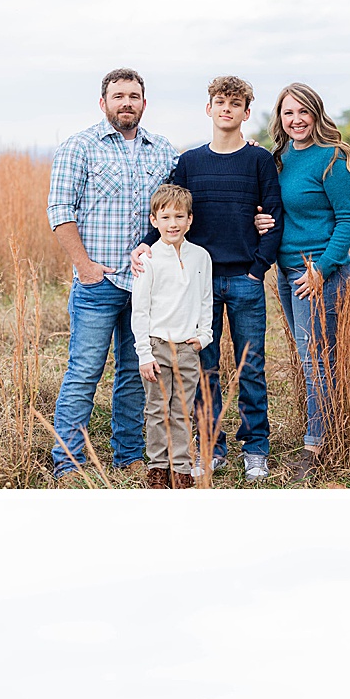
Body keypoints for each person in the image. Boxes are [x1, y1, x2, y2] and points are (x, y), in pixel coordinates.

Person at [133, 75, 284, 480]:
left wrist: (258, 270)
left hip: (244, 280)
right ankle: (212, 447)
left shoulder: (259, 160)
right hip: (198, 283)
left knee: (251, 366)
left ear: (246, 113)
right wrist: (147, 243)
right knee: (205, 369)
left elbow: (275, 217)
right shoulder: (191, 162)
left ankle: (256, 448)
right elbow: (172, 208)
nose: (227, 110)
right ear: (209, 109)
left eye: (235, 104)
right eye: (220, 102)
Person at [44, 69, 177, 481]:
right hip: (98, 284)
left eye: (134, 96)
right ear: (103, 103)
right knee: (84, 371)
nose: (126, 102)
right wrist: (84, 267)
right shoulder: (79, 147)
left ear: (143, 103)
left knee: (135, 372)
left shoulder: (164, 151)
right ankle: (68, 460)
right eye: (118, 96)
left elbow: (185, 198)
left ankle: (129, 455)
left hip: (144, 285)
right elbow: (59, 210)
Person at [269, 84, 350, 478]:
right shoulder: (279, 157)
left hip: (319, 273)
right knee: (311, 359)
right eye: (289, 113)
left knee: (317, 361)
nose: (297, 120)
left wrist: (321, 269)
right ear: (280, 118)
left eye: (304, 112)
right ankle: (326, 431)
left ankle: (315, 448)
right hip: (286, 271)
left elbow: (348, 220)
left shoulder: (332, 158)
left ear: (317, 113)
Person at [132, 185, 214, 488]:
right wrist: (144, 353)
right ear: (154, 220)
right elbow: (139, 310)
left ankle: (181, 469)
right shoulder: (149, 259)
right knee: (156, 410)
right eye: (165, 217)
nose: (173, 224)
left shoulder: (200, 257)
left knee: (182, 410)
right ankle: (157, 469)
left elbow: (206, 299)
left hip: (187, 348)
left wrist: (203, 336)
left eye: (179, 216)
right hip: (156, 347)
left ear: (190, 219)